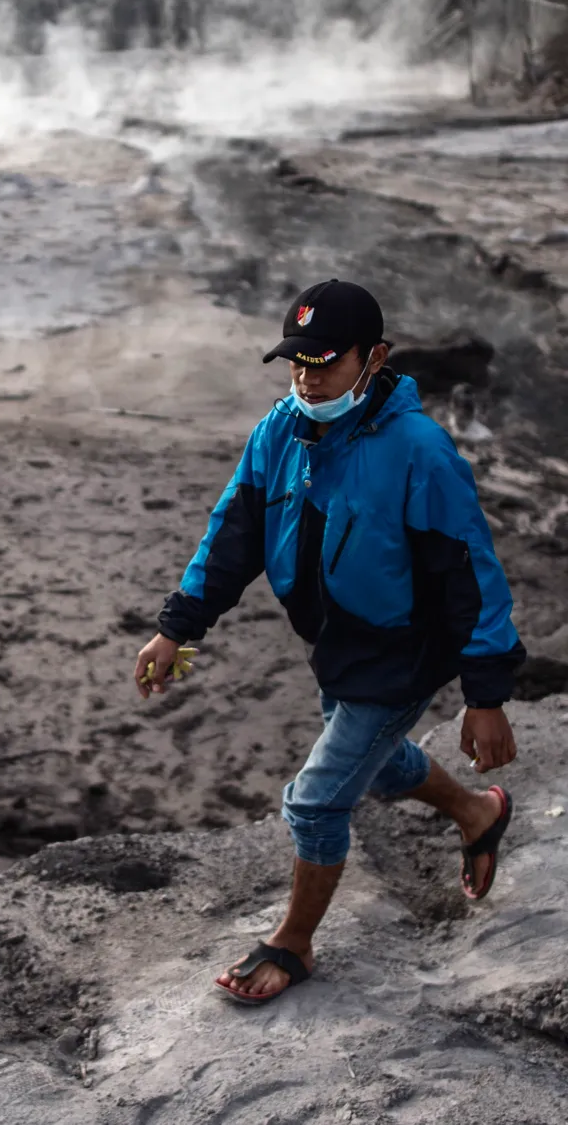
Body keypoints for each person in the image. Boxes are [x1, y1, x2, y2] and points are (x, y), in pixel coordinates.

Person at [134, 279, 524, 1007]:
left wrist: (486, 694)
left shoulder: (420, 452)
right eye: (296, 363)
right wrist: (176, 626)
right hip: (334, 643)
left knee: (315, 804)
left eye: (325, 361)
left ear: (374, 357)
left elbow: (472, 574)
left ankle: (294, 942)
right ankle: (479, 812)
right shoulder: (280, 430)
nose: (309, 378)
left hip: (402, 651)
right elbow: (233, 536)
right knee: (370, 766)